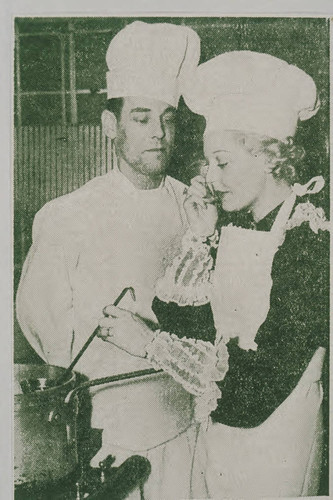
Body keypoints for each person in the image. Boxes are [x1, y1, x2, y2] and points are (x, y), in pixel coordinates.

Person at [99, 51, 329, 498]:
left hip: (274, 446)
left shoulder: (310, 244)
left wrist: (147, 345)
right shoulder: (239, 226)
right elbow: (181, 320)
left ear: (270, 157)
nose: (211, 178)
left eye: (222, 162)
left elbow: (256, 388)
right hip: (222, 441)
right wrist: (200, 238)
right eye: (208, 164)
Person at [16, 21, 202, 499]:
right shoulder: (68, 215)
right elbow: (43, 328)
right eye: (141, 118)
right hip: (108, 438)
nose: (159, 133)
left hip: (190, 424)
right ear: (109, 126)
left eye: (169, 118)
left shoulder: (195, 210)